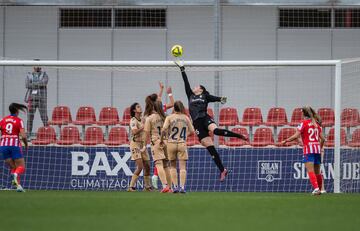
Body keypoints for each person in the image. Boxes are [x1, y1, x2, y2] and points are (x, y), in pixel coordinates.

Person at [175, 61, 247, 181]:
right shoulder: (190, 95)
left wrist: (221, 99)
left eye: (197, 86)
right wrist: (182, 69)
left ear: (201, 90)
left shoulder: (205, 96)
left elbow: (215, 98)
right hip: (197, 124)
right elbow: (185, 82)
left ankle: (239, 136)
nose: (195, 86)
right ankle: (223, 170)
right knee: (210, 148)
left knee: (216, 131)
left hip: (205, 118)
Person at [282, 106, 325, 195]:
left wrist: (286, 140)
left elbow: (296, 136)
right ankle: (320, 190)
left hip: (308, 149)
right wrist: (320, 148)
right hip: (317, 149)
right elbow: (323, 139)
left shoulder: (303, 123)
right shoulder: (316, 124)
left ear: (303, 114)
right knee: (317, 171)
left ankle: (316, 189)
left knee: (310, 171)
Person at [161, 101, 194, 193]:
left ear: (174, 108)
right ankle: (182, 187)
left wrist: (162, 139)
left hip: (171, 143)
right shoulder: (186, 118)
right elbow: (192, 131)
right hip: (182, 143)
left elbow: (163, 130)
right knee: (182, 167)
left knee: (172, 166)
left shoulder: (169, 117)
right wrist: (185, 136)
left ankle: (175, 187)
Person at [144, 101, 171, 193]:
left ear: (153, 108)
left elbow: (146, 133)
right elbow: (169, 130)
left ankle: (165, 186)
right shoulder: (166, 117)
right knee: (166, 165)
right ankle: (170, 187)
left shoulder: (150, 118)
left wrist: (144, 145)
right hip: (166, 141)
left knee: (158, 164)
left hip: (156, 142)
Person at [0, 103, 28, 192]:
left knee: (13, 167)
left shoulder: (3, 120)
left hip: (3, 145)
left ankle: (18, 186)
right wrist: (26, 145)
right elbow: (23, 136)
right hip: (14, 145)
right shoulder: (19, 121)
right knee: (21, 167)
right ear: (17, 111)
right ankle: (15, 175)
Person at [127, 102, 152, 192]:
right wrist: (143, 127)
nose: (140, 108)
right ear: (134, 110)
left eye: (140, 106)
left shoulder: (142, 119)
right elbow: (134, 132)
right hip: (135, 144)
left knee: (148, 166)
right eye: (138, 107)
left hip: (143, 145)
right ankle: (131, 187)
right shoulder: (133, 120)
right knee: (140, 166)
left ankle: (147, 187)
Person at [25, 64, 49, 137]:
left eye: (39, 66)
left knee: (44, 117)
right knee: (30, 117)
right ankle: (29, 134)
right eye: (36, 66)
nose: (37, 67)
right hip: (32, 99)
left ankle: (47, 133)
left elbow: (44, 83)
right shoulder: (29, 75)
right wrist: (38, 84)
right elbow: (27, 85)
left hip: (41, 99)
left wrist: (33, 83)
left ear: (40, 67)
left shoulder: (45, 75)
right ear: (33, 67)